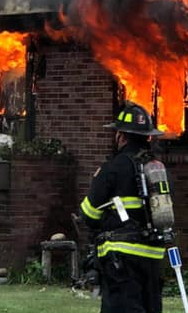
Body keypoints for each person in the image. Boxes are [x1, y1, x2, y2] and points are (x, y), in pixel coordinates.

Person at [79, 101, 168, 313]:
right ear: (148, 136)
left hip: (121, 260)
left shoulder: (113, 168)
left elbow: (89, 214)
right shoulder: (157, 168)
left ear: (121, 136)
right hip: (153, 257)